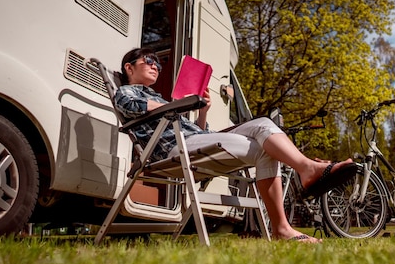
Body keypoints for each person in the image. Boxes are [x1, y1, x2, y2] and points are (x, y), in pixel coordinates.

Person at [114, 47, 357, 243]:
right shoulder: (126, 91)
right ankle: (299, 191)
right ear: (129, 67)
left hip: (190, 141)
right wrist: (181, 105)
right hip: (171, 151)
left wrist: (202, 111)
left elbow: (200, 132)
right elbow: (129, 107)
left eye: (158, 62)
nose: (155, 65)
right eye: (149, 60)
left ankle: (300, 185)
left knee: (262, 126)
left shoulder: (159, 98)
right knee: (265, 146)